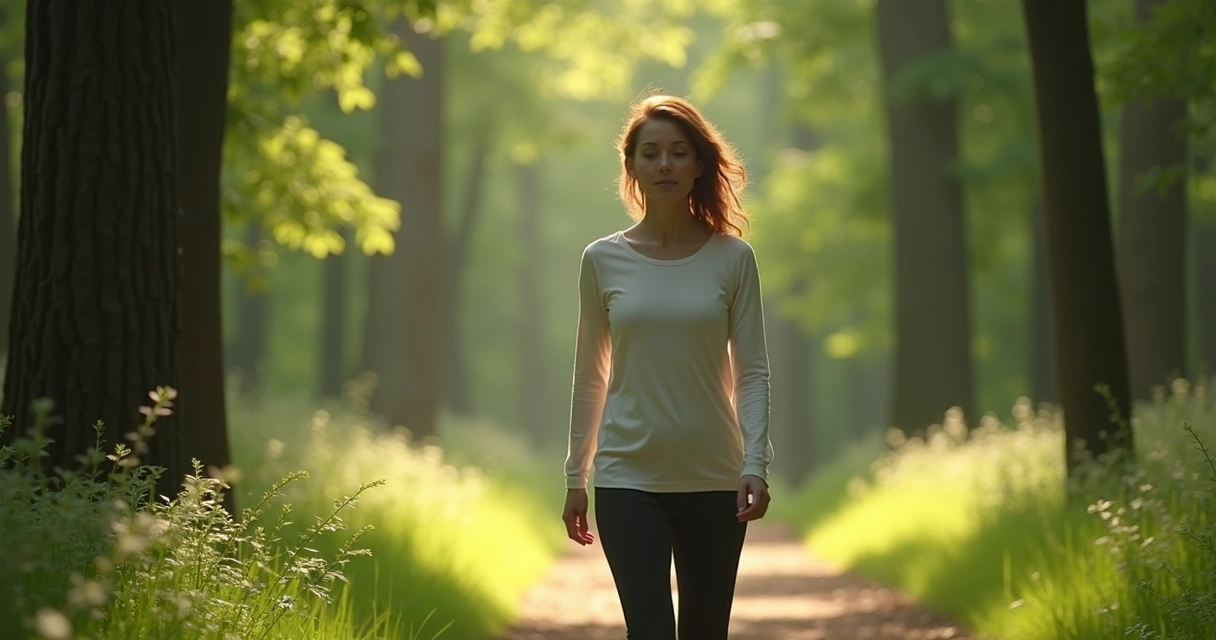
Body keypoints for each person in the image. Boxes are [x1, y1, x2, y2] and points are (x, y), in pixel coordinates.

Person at [561, 92, 775, 640]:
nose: (664, 165)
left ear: (699, 164)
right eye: (651, 153)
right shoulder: (601, 259)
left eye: (678, 152)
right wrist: (575, 477)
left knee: (705, 631)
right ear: (631, 164)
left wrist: (755, 462)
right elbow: (591, 374)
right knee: (650, 631)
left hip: (714, 477)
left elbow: (751, 370)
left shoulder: (733, 259)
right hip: (627, 477)